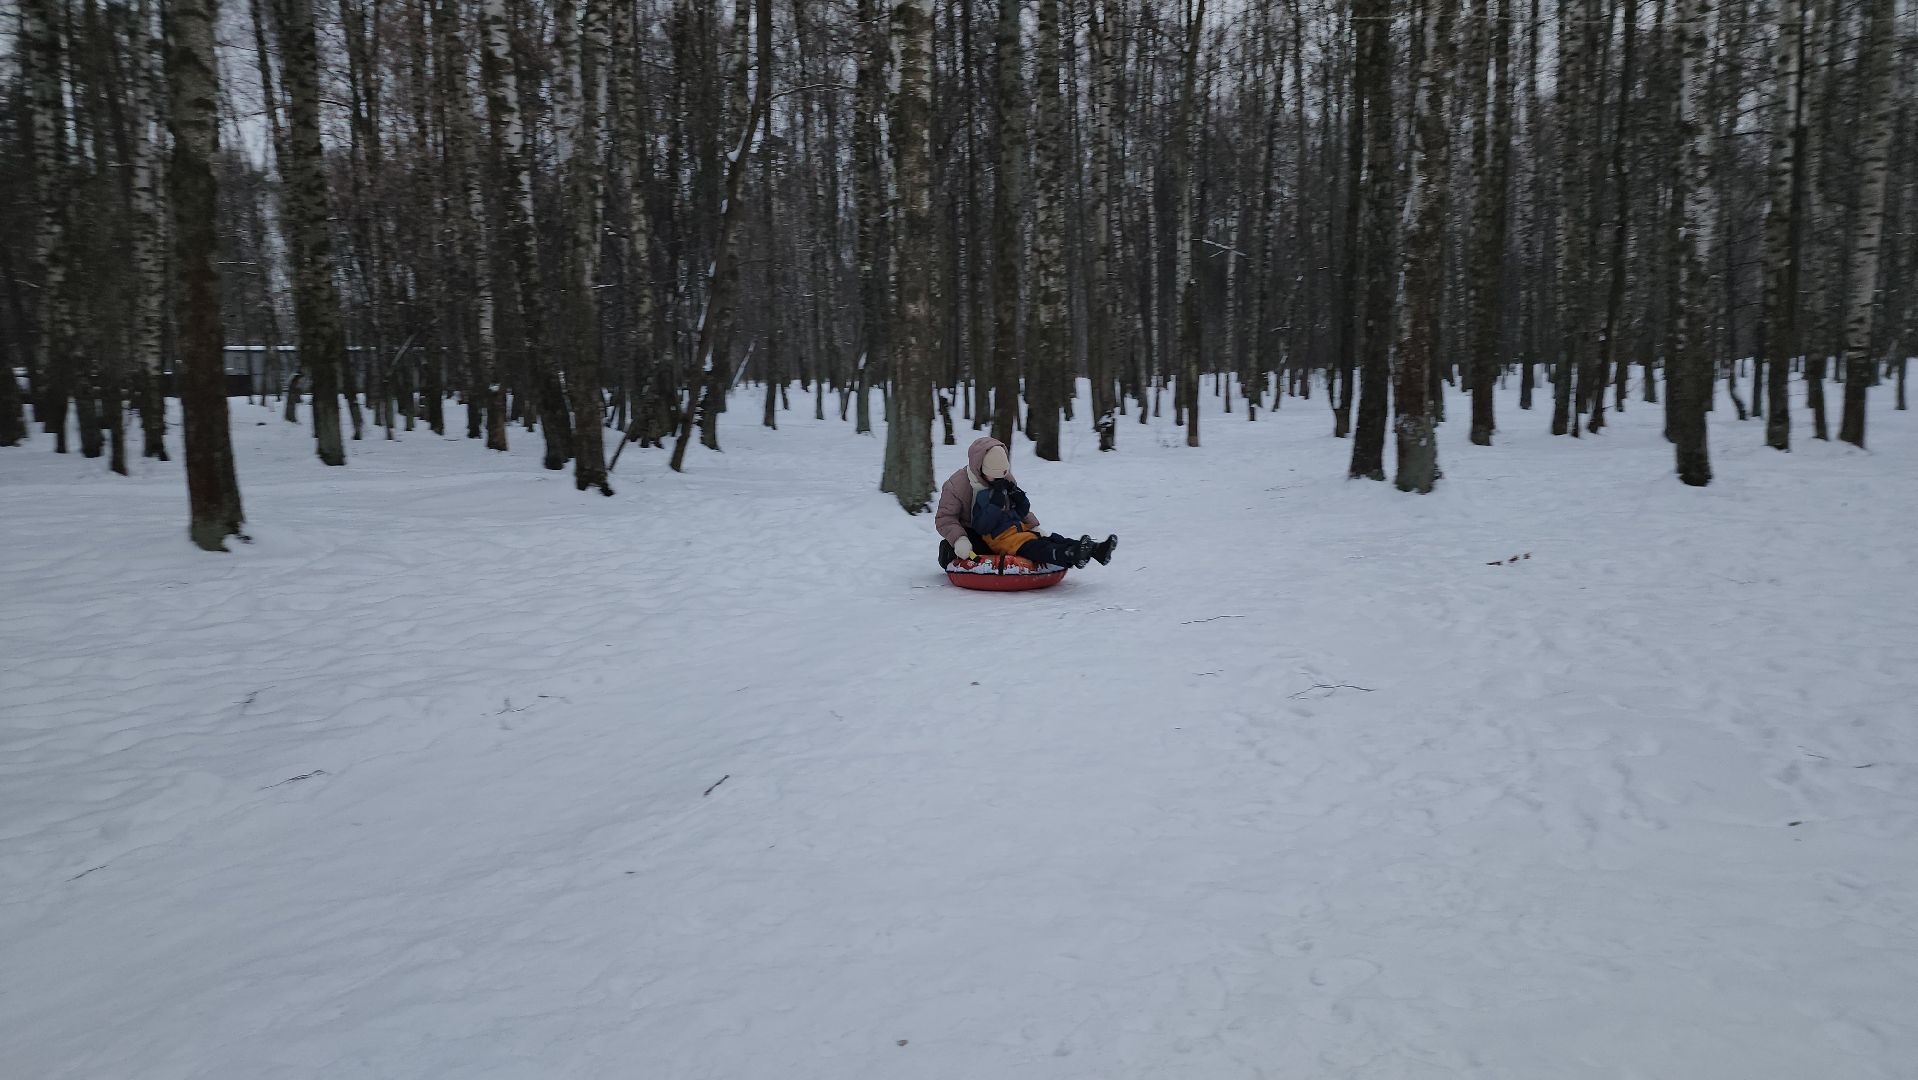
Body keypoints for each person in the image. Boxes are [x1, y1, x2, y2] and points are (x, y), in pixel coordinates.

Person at [935, 437, 1117, 570]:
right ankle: (1070, 554)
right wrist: (960, 539)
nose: (999, 479)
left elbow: (1019, 509)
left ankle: (1095, 549)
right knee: (1038, 548)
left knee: (1051, 539)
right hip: (978, 535)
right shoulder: (957, 486)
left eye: (1002, 475)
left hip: (1016, 530)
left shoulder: (1004, 479)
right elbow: (947, 518)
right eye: (994, 476)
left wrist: (1032, 524)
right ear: (981, 470)